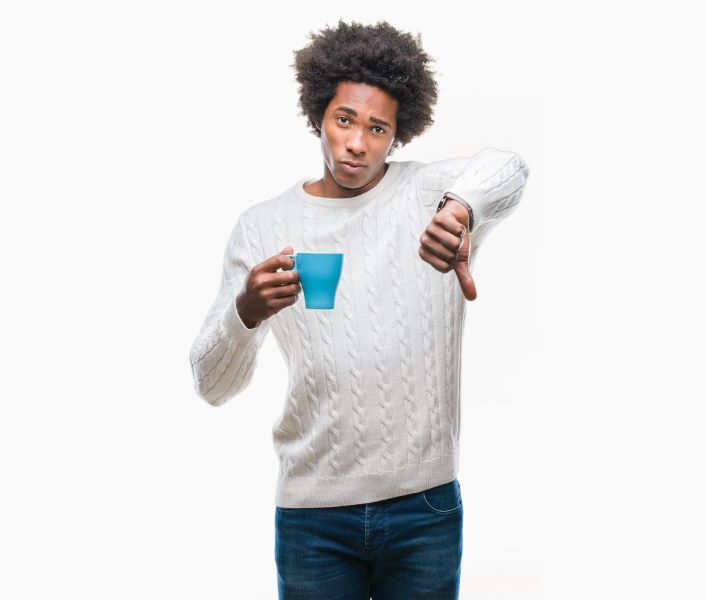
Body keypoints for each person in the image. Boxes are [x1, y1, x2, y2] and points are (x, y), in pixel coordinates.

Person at [189, 19, 530, 600]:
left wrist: (462, 209)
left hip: (424, 506)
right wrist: (245, 312)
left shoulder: (425, 195)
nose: (357, 143)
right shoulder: (263, 226)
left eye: (378, 128)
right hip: (313, 516)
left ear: (397, 137)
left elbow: (510, 168)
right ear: (319, 114)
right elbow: (210, 383)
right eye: (345, 119)